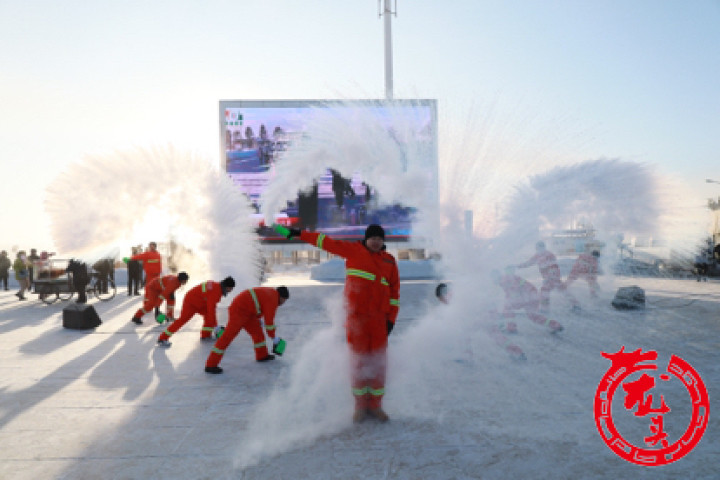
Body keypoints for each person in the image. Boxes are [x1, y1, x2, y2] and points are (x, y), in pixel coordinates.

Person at [285, 223, 399, 423]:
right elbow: (325, 242)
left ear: (383, 241)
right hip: (357, 320)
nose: (376, 242)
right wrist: (300, 234)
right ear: (366, 239)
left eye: (380, 239)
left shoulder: (389, 261)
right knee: (359, 362)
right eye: (373, 238)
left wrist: (390, 320)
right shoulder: (353, 251)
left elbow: (394, 294)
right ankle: (361, 406)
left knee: (379, 363)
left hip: (379, 321)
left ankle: (376, 405)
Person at [205, 286, 289, 373]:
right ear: (282, 297)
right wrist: (274, 337)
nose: (283, 303)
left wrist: (258, 318)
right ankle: (211, 365)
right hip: (239, 311)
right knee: (227, 337)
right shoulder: (273, 299)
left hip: (249, 313)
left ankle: (262, 355)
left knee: (258, 333)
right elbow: (269, 322)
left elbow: (259, 303)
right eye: (284, 300)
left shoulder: (272, 293)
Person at [435, 282, 526, 361]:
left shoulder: (451, 295)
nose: (442, 302)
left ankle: (467, 357)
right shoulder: (458, 292)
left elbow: (463, 312)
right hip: (489, 312)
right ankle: (518, 352)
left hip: (483, 314)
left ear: (443, 295)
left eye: (440, 299)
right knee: (497, 336)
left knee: (463, 333)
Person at [157, 276, 236, 346]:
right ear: (227, 287)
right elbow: (211, 309)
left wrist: (215, 325)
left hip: (200, 302)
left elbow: (209, 308)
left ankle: (205, 335)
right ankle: (163, 338)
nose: (231, 291)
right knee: (182, 320)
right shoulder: (216, 292)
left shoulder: (217, 287)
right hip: (191, 303)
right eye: (231, 289)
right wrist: (216, 327)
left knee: (208, 316)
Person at [492, 267, 564, 334]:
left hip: (525, 297)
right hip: (532, 295)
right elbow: (512, 291)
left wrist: (512, 300)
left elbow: (514, 290)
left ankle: (511, 328)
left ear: (495, 277)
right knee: (533, 316)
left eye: (492, 279)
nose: (493, 282)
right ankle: (555, 325)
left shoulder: (504, 280)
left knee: (507, 308)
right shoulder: (507, 279)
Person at [516, 240, 578, 311]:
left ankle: (545, 309)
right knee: (561, 290)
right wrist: (517, 266)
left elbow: (554, 267)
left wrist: (550, 277)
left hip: (553, 278)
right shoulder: (538, 255)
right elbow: (529, 263)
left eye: (539, 248)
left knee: (546, 291)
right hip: (549, 278)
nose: (537, 250)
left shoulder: (549, 255)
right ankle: (575, 304)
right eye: (536, 248)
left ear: (543, 247)